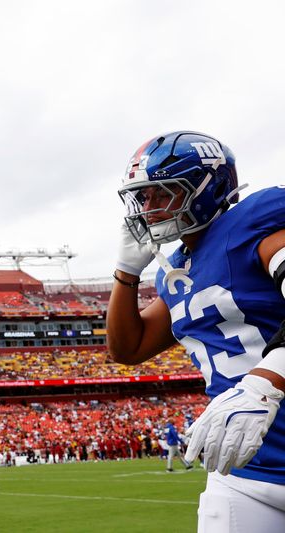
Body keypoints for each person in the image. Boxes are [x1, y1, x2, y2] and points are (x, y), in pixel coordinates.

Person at [107, 131, 285, 531]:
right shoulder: (175, 272)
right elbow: (127, 348)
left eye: (162, 193)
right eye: (143, 196)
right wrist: (126, 272)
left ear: (209, 188)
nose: (147, 208)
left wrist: (266, 382)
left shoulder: (254, 224)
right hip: (241, 471)